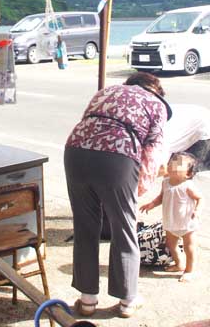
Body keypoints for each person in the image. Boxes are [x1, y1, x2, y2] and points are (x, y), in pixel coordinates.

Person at [64, 72, 171, 319]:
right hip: (118, 156)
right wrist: (139, 189)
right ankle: (128, 301)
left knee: (85, 226)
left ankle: (87, 300)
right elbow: (153, 151)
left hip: (76, 152)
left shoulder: (104, 93)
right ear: (156, 90)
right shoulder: (156, 105)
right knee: (124, 227)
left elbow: (88, 123)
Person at [140, 153, 202, 282]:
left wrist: (197, 210)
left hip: (186, 223)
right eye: (172, 161)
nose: (173, 165)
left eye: (178, 164)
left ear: (188, 174)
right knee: (171, 244)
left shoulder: (187, 186)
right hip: (170, 222)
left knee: (189, 247)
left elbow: (199, 198)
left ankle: (189, 270)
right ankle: (179, 263)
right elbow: (161, 197)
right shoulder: (166, 183)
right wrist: (151, 204)